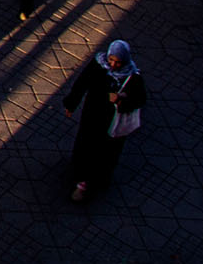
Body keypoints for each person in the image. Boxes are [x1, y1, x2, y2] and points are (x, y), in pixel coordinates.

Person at [62, 39, 145, 201]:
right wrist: (71, 103)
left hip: (113, 122)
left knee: (105, 153)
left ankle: (92, 181)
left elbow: (140, 99)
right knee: (87, 145)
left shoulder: (133, 77)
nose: (113, 65)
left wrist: (121, 100)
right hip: (93, 115)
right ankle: (82, 178)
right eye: (111, 60)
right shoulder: (98, 65)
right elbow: (82, 83)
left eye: (118, 62)